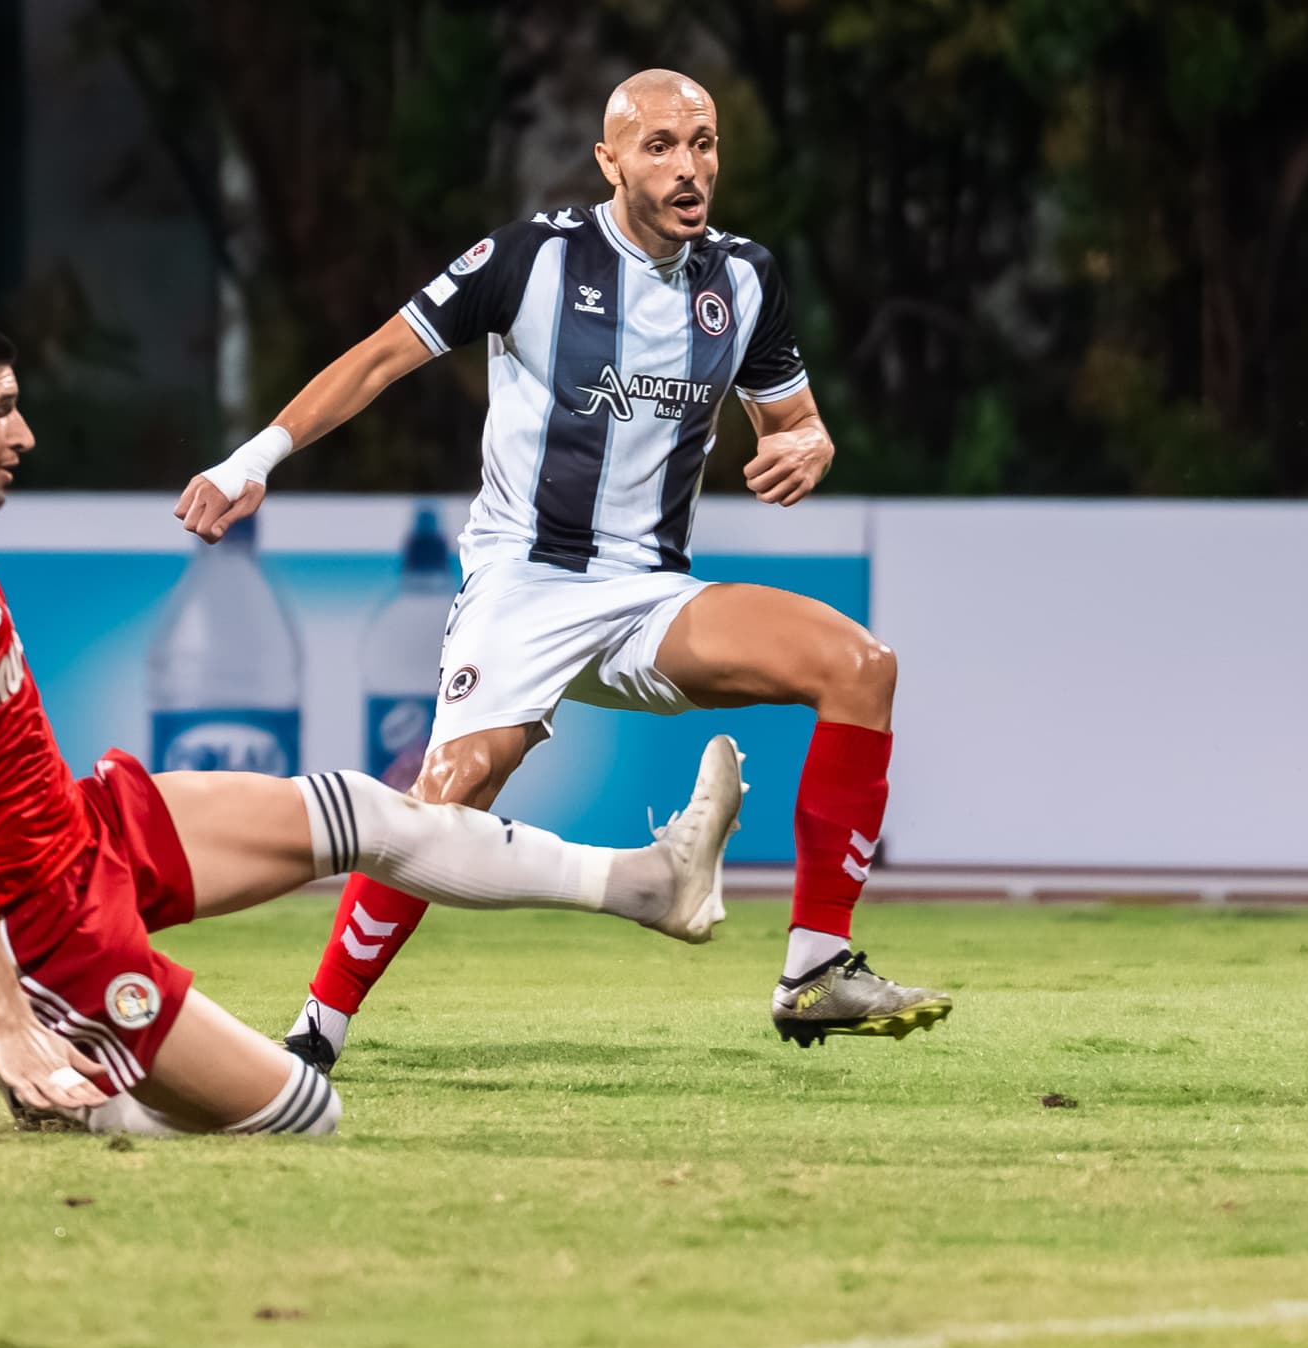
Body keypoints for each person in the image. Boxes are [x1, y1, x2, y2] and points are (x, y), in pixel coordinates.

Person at [0, 0, 741, 1137]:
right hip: (47, 929)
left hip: (87, 826)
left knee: (368, 813)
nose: (25, 434)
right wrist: (6, 1018)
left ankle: (649, 884)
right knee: (308, 1115)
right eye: (3, 412)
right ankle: (78, 1092)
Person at [173, 67, 948, 1064]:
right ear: (610, 159)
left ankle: (815, 967)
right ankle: (315, 1030)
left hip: (652, 593)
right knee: (445, 800)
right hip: (523, 584)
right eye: (660, 145)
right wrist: (253, 460)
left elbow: (795, 422)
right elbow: (376, 357)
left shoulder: (745, 278)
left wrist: (812, 445)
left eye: (703, 143)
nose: (687, 166)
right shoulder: (531, 258)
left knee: (860, 666)